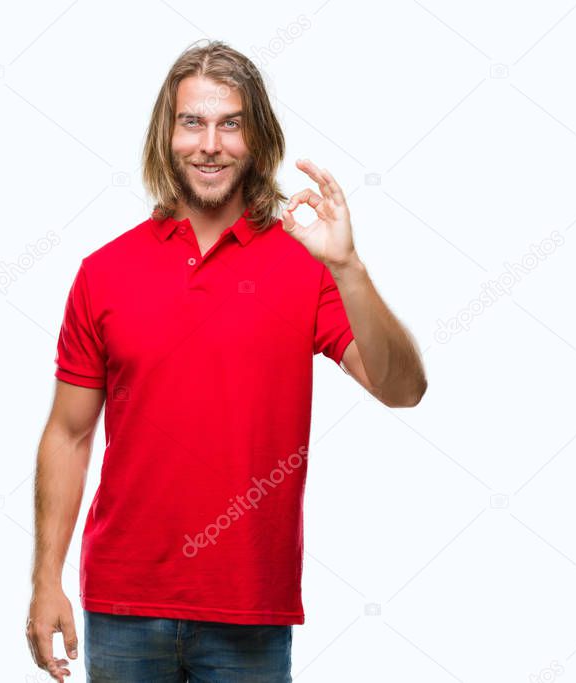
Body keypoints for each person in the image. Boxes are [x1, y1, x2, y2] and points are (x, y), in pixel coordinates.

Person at [24, 40, 427, 682]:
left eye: (229, 124)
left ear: (255, 138)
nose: (209, 143)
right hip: (123, 606)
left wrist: (348, 267)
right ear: (168, 135)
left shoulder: (307, 265)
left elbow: (403, 389)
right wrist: (46, 581)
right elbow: (68, 433)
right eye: (193, 122)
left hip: (249, 609)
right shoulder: (104, 273)